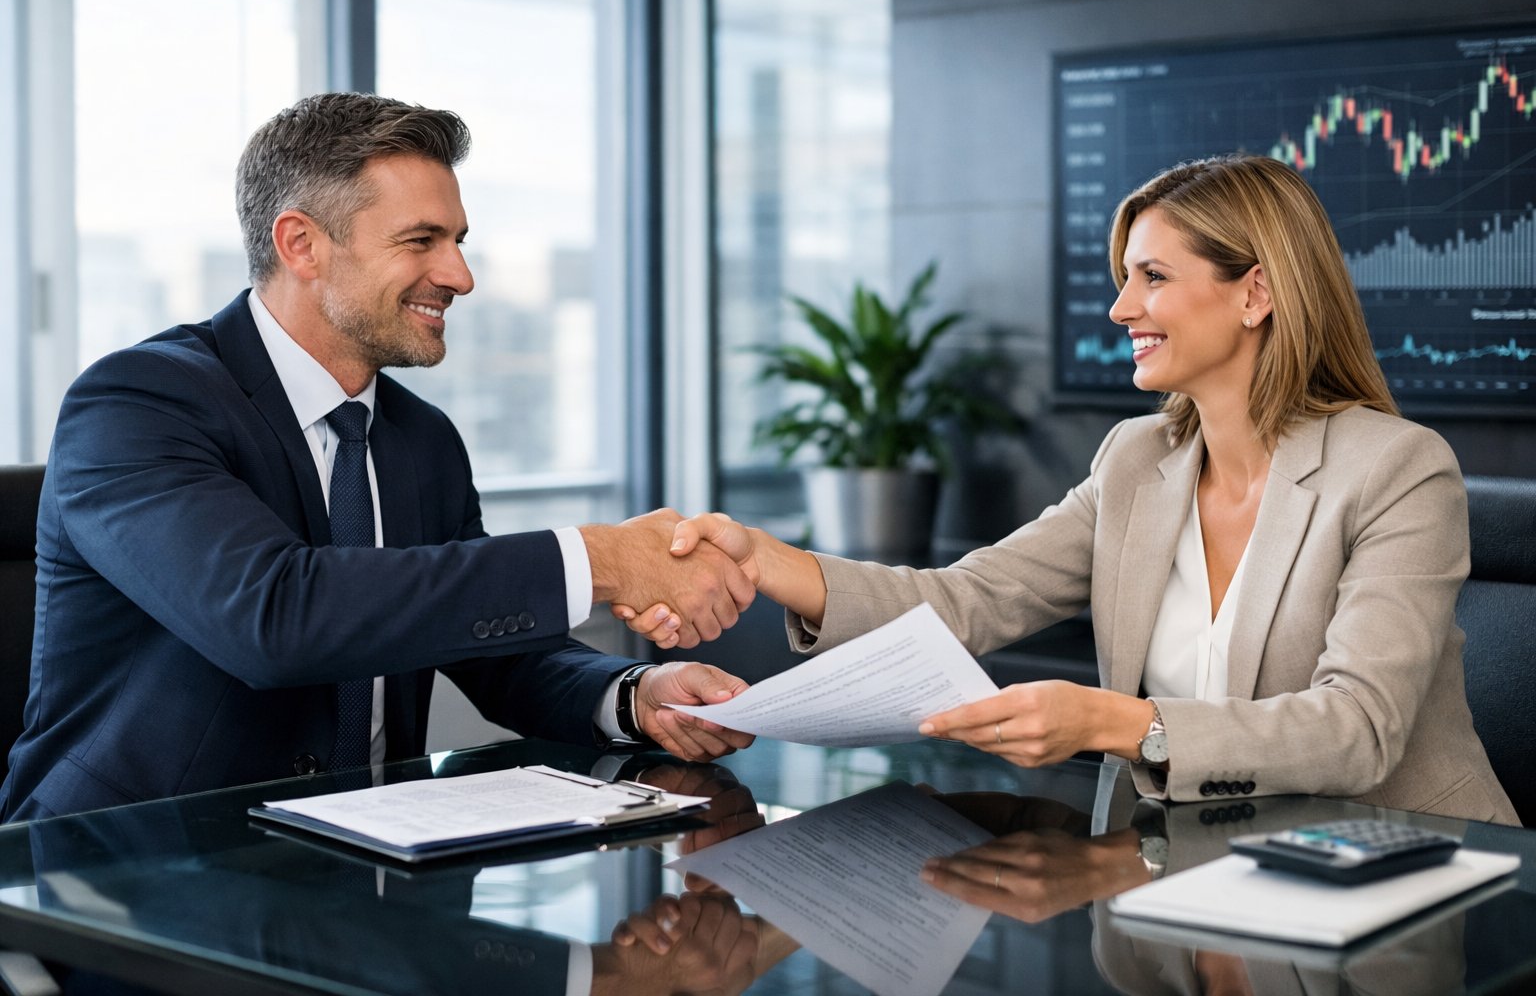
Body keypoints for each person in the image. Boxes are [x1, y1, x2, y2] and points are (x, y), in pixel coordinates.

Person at [619, 153, 1519, 825]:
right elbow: (968, 601)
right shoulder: (1135, 461)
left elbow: (1356, 729)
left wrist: (1117, 723)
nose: (1122, 308)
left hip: (1419, 881)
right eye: (1123, 277)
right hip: (1199, 870)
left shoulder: (1398, 469)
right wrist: (769, 560)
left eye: (1153, 277)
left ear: (1256, 294)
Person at [0, 92, 756, 824]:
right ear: (301, 245)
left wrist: (635, 694)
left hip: (363, 877)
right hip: (126, 883)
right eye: (421, 241)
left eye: (458, 241)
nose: (460, 276)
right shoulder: (137, 402)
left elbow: (491, 649)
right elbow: (272, 616)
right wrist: (602, 559)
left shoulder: (421, 438)